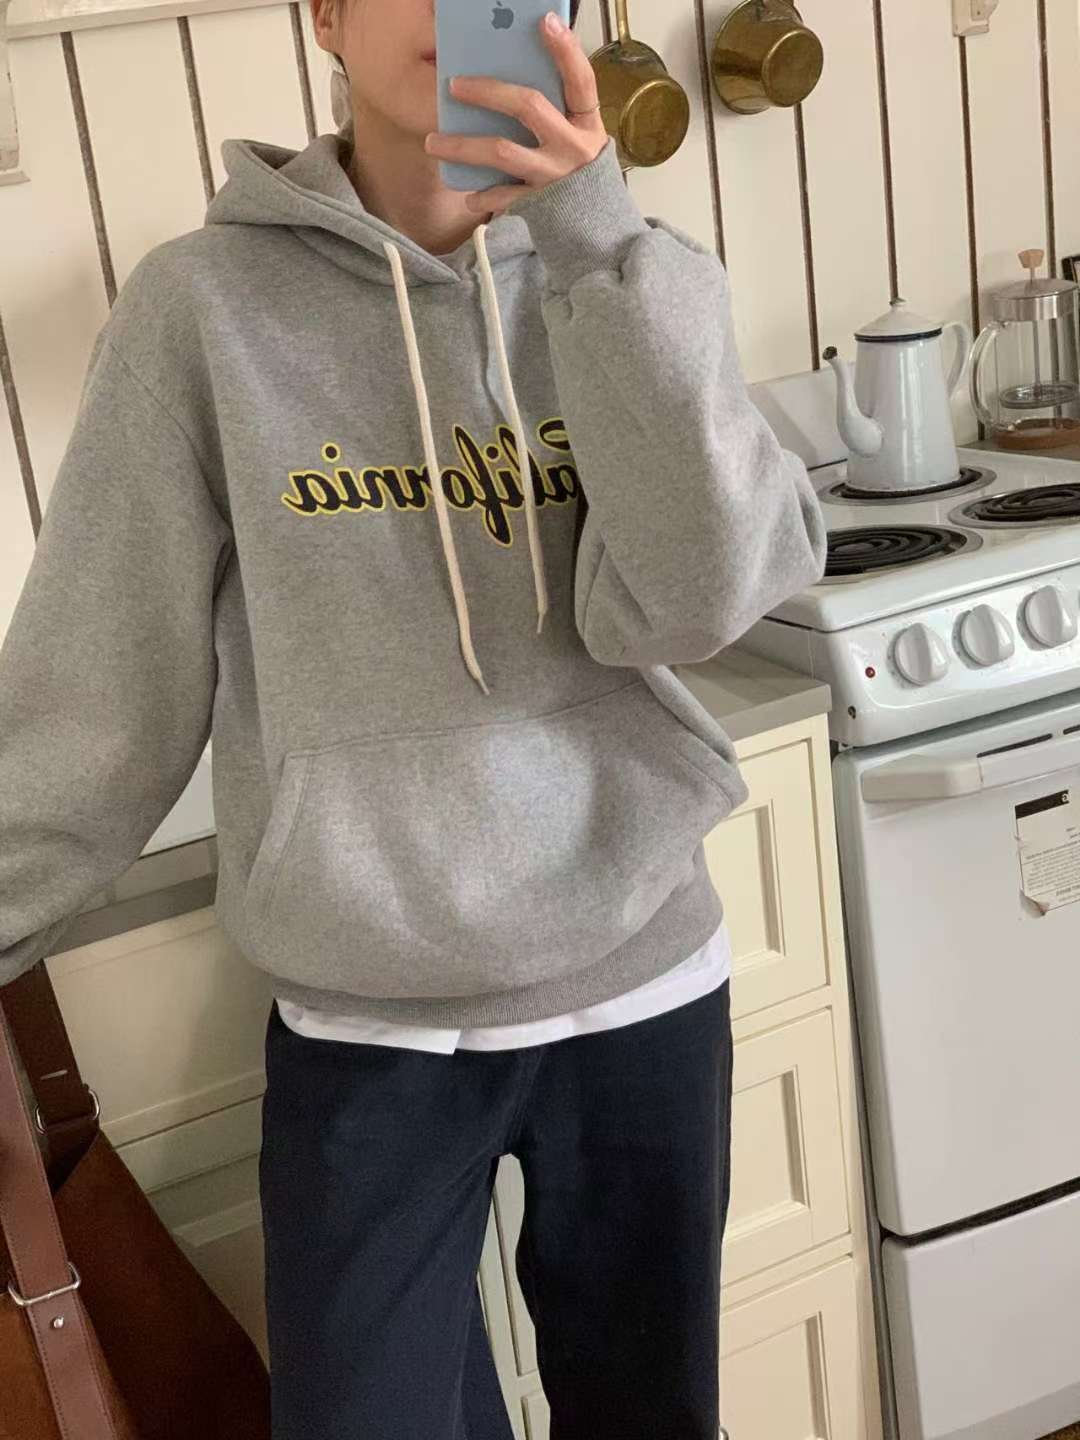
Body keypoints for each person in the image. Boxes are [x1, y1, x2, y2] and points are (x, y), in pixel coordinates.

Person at [0, 0, 827, 1435]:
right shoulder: (201, 309)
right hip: (365, 1010)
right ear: (326, 12)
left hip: (637, 976)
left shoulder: (630, 272)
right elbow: (103, 689)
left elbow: (699, 602)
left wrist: (594, 241)